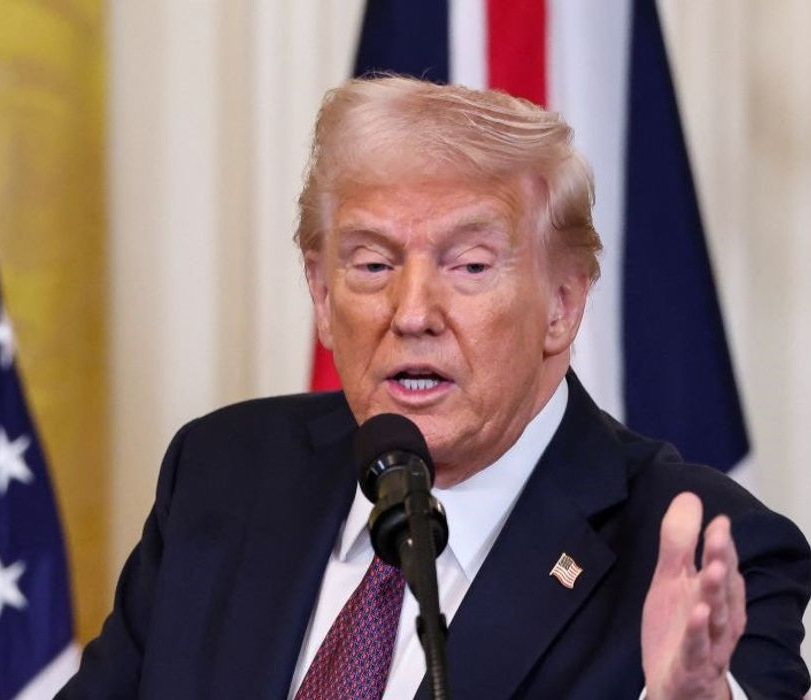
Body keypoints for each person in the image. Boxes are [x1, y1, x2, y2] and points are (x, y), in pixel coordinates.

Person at [59, 76, 811, 699]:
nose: (412, 313)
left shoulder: (702, 546)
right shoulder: (224, 470)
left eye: (470, 266)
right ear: (321, 296)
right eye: (372, 265)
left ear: (561, 305)